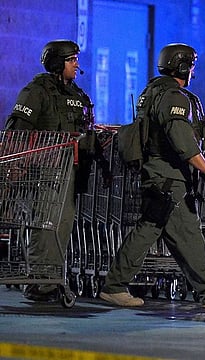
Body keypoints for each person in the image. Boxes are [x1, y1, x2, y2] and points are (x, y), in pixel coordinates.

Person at [99, 43, 205, 308]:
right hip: (169, 177)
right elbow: (182, 142)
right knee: (185, 233)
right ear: (182, 66)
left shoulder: (153, 91)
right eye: (191, 66)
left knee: (153, 230)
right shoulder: (174, 97)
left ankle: (115, 286)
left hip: (158, 174)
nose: (193, 73)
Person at [5, 39, 110, 301]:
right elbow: (18, 130)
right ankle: (41, 282)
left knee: (63, 224)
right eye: (71, 59)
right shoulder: (36, 92)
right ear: (56, 63)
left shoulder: (77, 95)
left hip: (71, 172)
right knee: (46, 224)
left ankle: (49, 278)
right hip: (44, 172)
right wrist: (16, 167)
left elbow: (85, 131)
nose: (77, 64)